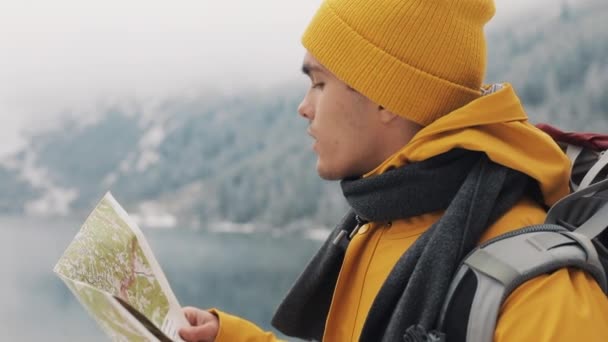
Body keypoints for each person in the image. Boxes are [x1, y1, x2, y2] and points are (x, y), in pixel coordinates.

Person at [179, 0, 608, 341]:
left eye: (320, 83)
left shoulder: (537, 287)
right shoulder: (377, 227)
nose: (304, 106)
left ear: (386, 96)